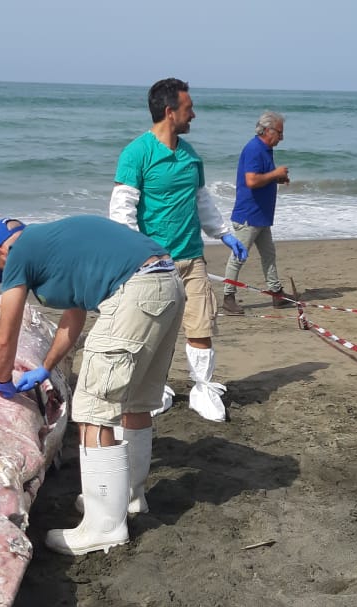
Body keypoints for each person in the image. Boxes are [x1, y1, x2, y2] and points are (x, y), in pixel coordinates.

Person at [0, 216, 186, 556]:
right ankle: (130, 497)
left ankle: (104, 526)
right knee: (133, 403)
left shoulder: (19, 252)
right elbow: (73, 318)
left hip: (135, 291)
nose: (7, 273)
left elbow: (7, 328)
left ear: (2, 251)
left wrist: (3, 380)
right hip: (167, 280)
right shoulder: (59, 245)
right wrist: (45, 368)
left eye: (1, 266)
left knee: (93, 409)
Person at [110, 78, 249, 423]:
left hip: (192, 258)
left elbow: (202, 201)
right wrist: (134, 253)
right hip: (153, 265)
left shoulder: (190, 156)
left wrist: (224, 234)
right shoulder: (137, 153)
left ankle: (202, 388)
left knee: (201, 326)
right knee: (152, 332)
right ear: (170, 112)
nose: (194, 115)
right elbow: (122, 208)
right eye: (189, 109)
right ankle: (154, 390)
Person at [223, 111, 292, 315]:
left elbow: (262, 177)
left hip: (261, 214)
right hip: (249, 214)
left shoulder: (266, 149)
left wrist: (277, 178)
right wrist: (275, 173)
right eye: (279, 132)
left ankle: (276, 292)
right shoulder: (254, 148)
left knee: (269, 254)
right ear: (268, 130)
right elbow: (252, 180)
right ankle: (228, 297)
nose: (281, 137)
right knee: (238, 256)